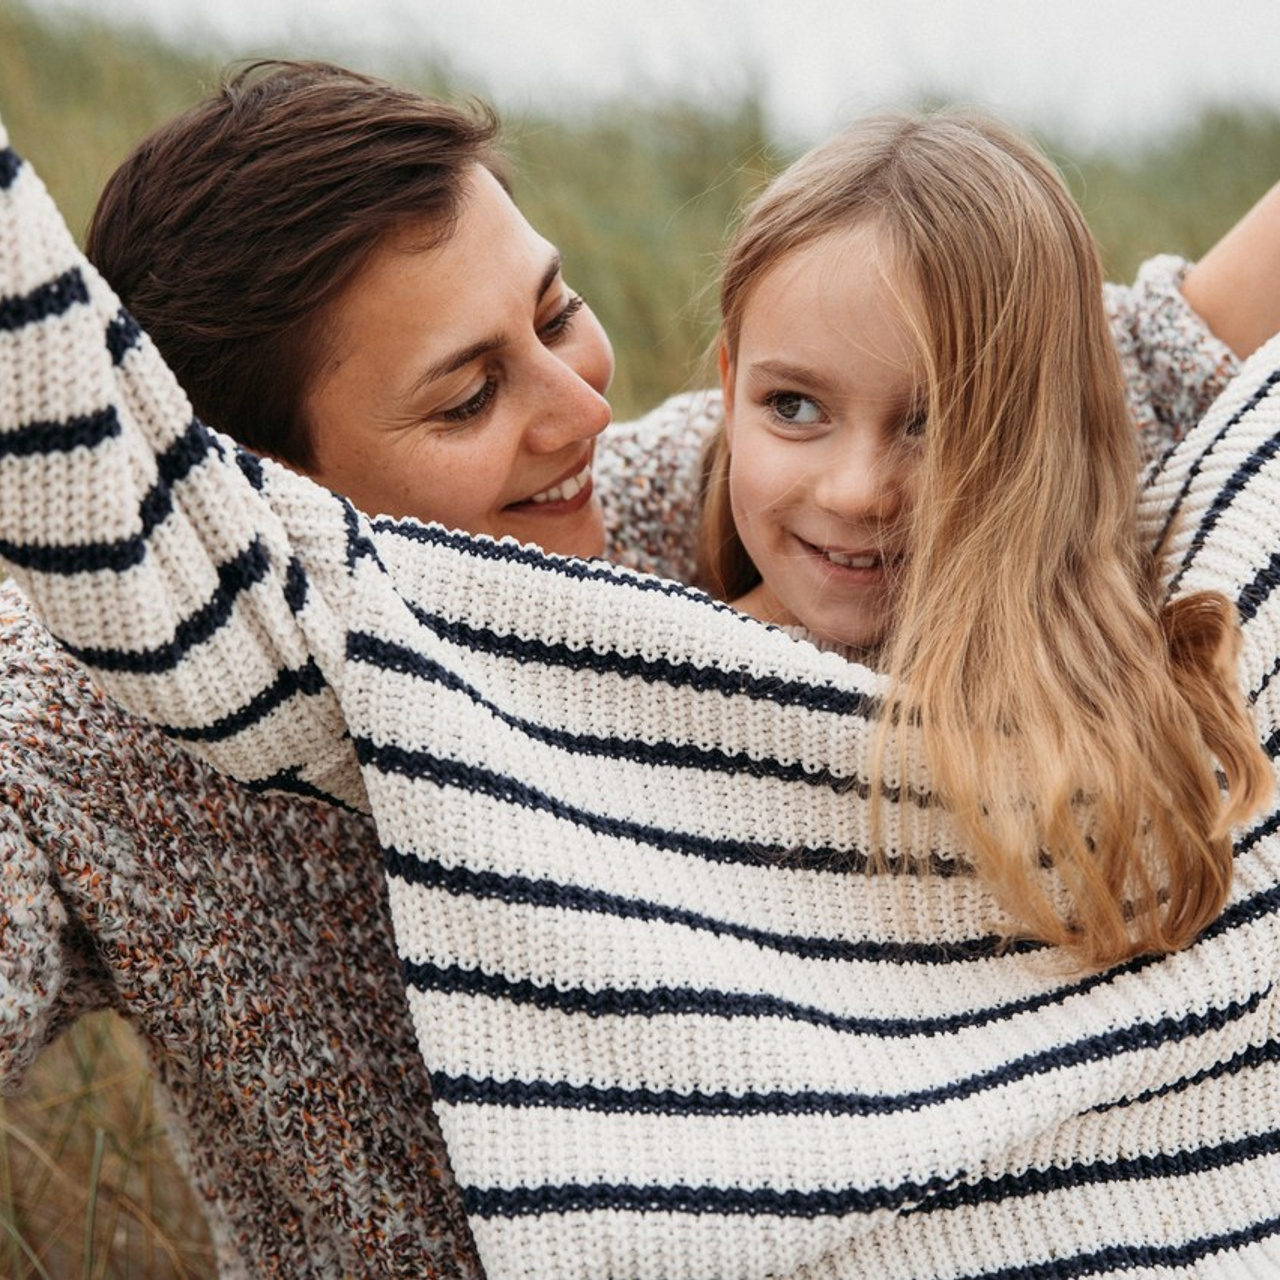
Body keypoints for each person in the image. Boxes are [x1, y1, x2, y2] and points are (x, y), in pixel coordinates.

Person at [5, 85, 1280, 1280]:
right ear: (269, 497)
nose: (581, 413)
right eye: (469, 396)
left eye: (556, 312)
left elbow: (1076, 370)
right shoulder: (90, 738)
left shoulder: (661, 508)